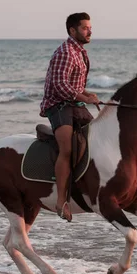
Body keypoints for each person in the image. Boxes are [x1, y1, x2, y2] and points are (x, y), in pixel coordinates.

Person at [40, 12, 99, 222]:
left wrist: (86, 95)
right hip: (58, 105)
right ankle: (61, 201)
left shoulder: (80, 52)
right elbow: (60, 85)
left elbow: (74, 85)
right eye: (85, 28)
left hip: (75, 104)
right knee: (67, 148)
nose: (90, 31)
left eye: (90, 27)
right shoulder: (65, 51)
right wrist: (84, 96)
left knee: (97, 140)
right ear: (73, 30)